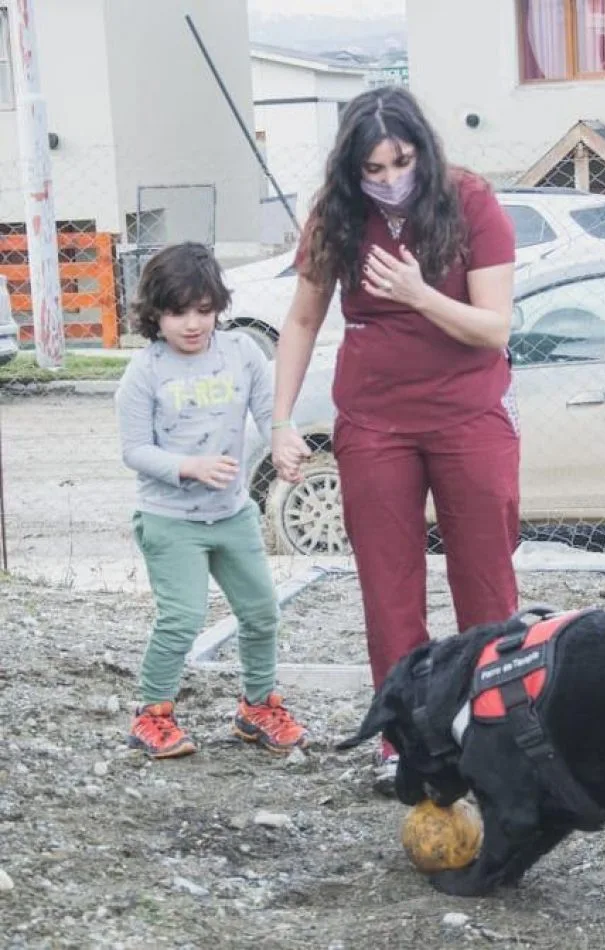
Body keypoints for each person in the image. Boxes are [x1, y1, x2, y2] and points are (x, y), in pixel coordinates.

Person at [270, 88, 520, 777]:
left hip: (469, 414)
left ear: (423, 151)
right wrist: (282, 420)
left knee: (486, 581)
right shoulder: (337, 216)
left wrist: (418, 293)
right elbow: (301, 320)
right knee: (388, 586)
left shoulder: (471, 203)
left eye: (399, 162)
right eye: (371, 169)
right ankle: (402, 735)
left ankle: (489, 726)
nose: (386, 180)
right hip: (375, 420)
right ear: (350, 169)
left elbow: (494, 328)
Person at [116, 242, 310, 758]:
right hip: (170, 520)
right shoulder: (145, 371)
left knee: (261, 611)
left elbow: (272, 412)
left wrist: (283, 443)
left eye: (203, 310)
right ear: (154, 313)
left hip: (232, 515)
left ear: (218, 306)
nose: (192, 323)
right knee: (181, 618)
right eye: (177, 312)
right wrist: (189, 467)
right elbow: (134, 450)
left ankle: (256, 707)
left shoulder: (242, 353)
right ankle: (152, 714)